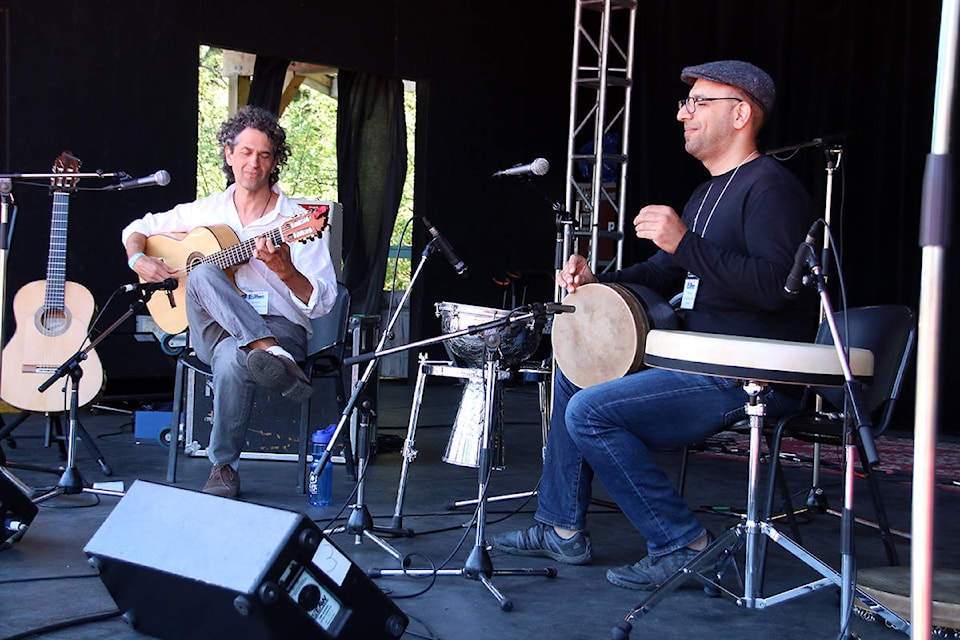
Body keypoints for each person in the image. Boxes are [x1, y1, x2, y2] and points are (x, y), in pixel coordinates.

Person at [492, 60, 819, 590]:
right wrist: (598, 279)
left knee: (591, 412)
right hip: (697, 360)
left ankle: (682, 543)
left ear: (740, 114)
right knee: (576, 372)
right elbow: (663, 272)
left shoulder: (772, 189)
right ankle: (561, 526)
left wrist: (684, 242)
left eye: (697, 103)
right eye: (686, 103)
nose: (681, 113)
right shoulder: (708, 191)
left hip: (747, 374)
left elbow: (775, 287)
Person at [121, 105, 339, 499]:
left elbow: (323, 301)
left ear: (275, 161)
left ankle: (223, 468)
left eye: (264, 154)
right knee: (203, 272)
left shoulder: (298, 220)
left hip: (279, 325)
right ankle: (270, 354)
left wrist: (286, 271)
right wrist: (139, 259)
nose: (253, 162)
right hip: (210, 326)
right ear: (228, 154)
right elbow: (138, 228)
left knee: (233, 358)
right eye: (245, 152)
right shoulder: (206, 211)